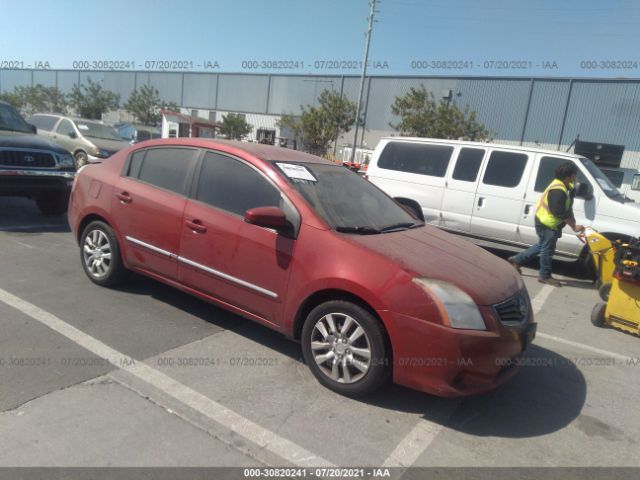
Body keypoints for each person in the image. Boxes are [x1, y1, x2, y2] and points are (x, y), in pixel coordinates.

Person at [509, 162, 585, 286]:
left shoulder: (567, 186)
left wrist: (574, 222)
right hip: (546, 222)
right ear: (567, 176)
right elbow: (560, 213)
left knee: (542, 245)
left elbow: (568, 207)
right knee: (547, 249)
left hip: (550, 222)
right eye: (574, 175)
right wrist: (573, 226)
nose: (575, 177)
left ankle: (516, 260)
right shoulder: (558, 191)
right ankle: (544, 275)